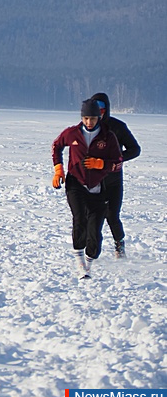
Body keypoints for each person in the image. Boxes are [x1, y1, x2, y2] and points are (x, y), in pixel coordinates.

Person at [51, 99, 123, 279]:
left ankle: (89, 263)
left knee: (95, 234)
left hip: (98, 188)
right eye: (85, 118)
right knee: (79, 219)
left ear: (99, 117)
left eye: (92, 118)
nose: (89, 122)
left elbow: (118, 163)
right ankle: (79, 262)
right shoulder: (72, 133)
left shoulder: (108, 137)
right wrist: (58, 169)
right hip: (76, 183)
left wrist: (102, 164)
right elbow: (56, 146)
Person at [90, 92, 141, 258]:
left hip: (113, 181)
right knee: (91, 216)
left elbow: (135, 149)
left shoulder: (118, 127)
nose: (99, 112)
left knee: (112, 215)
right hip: (92, 181)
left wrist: (117, 158)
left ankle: (119, 245)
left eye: (102, 108)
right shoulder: (86, 127)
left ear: (107, 109)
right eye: (95, 107)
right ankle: (91, 250)